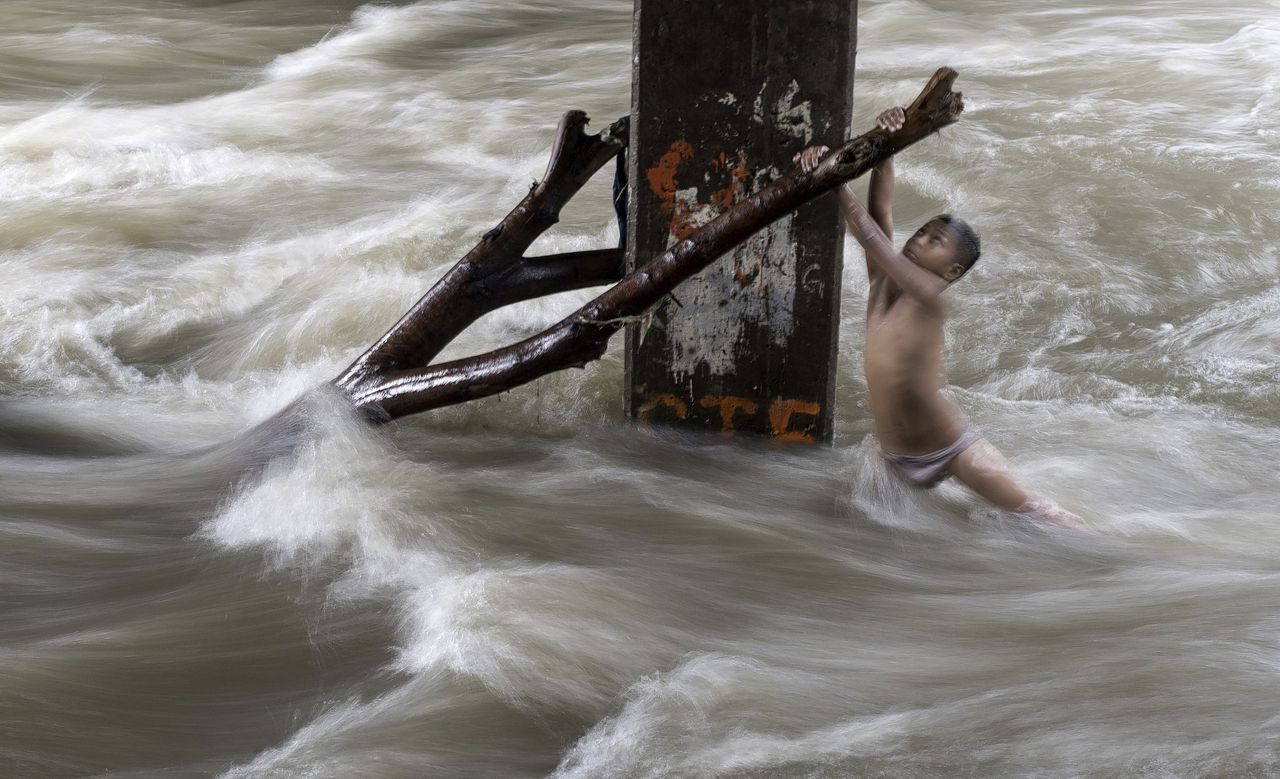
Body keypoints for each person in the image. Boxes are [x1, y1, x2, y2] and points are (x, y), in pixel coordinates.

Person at [796, 106, 1091, 531]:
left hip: (953, 449)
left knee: (1036, 515)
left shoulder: (932, 298)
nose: (918, 239)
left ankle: (1121, 554)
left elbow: (872, 237)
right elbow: (880, 215)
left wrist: (834, 180)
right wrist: (886, 148)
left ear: (951, 271)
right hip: (892, 457)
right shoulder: (884, 285)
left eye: (935, 241)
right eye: (922, 232)